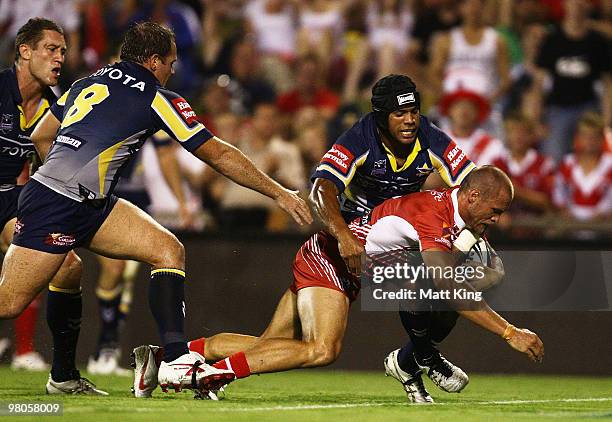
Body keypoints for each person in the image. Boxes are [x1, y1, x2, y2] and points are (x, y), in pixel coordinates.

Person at [0, 21, 312, 396]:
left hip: (85, 201)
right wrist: (278, 192)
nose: (173, 70)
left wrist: (63, 171)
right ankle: (74, 374)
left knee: (166, 250)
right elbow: (217, 153)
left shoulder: (87, 82)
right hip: (58, 204)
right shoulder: (157, 96)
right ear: (153, 61)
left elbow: (42, 134)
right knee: (10, 303)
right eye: (170, 62)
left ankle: (170, 361)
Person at [131, 166, 545, 403]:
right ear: (472, 197)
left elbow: (472, 271)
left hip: (334, 259)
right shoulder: (433, 215)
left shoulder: (460, 216)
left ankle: (168, 357)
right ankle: (200, 376)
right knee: (322, 349)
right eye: (496, 210)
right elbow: (452, 289)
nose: (498, 218)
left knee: (265, 346)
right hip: (329, 259)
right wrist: (509, 331)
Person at [307, 73, 477, 398]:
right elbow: (321, 188)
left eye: (413, 111)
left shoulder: (432, 137)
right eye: (400, 113)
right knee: (417, 281)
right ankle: (423, 357)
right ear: (380, 116)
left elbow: (473, 187)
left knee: (454, 291)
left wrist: (471, 236)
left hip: (400, 228)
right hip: (356, 231)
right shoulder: (359, 138)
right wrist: (343, 236)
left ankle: (411, 360)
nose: (410, 120)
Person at [0, 18, 83, 372]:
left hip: (12, 199)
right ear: (25, 51)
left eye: (63, 51)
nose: (59, 58)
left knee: (67, 266)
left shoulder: (59, 106)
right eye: (51, 49)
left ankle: (62, 374)